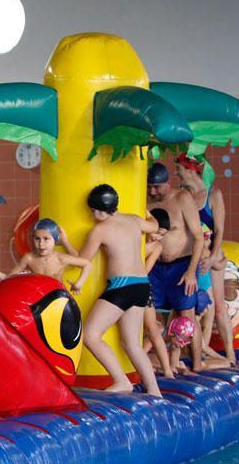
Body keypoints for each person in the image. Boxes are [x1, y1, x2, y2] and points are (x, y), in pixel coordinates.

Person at [78, 184, 162, 397]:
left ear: (97, 210)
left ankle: (122, 381)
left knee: (90, 334)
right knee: (132, 344)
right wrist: (148, 213)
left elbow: (82, 260)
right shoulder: (133, 220)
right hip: (142, 285)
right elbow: (154, 226)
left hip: (121, 286)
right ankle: (154, 391)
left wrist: (65, 245)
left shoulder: (100, 229)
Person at [174, 153, 236, 363]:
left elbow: (219, 229)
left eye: (179, 170)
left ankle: (230, 355)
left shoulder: (213, 194)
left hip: (212, 255)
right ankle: (196, 353)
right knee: (194, 308)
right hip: (193, 257)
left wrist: (212, 259)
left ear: (190, 170)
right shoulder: (182, 195)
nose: (177, 174)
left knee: (218, 307)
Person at [146, 161, 205, 371]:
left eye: (157, 187)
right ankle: (166, 365)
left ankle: (197, 365)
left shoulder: (182, 199)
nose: (153, 191)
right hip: (155, 266)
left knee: (186, 316)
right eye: (149, 186)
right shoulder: (144, 201)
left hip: (182, 266)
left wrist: (191, 272)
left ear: (167, 183)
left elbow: (198, 237)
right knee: (153, 319)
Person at [7, 218, 91, 294]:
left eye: (46, 239)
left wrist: (79, 283)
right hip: (39, 296)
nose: (41, 244)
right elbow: (9, 278)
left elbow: (87, 264)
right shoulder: (29, 258)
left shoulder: (60, 258)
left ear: (55, 240)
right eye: (37, 239)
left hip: (57, 297)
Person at [143, 207, 174, 379]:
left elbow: (145, 270)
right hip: (128, 285)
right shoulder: (136, 236)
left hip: (141, 287)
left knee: (153, 330)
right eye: (157, 232)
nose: (157, 236)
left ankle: (168, 370)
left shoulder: (157, 246)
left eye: (162, 234)